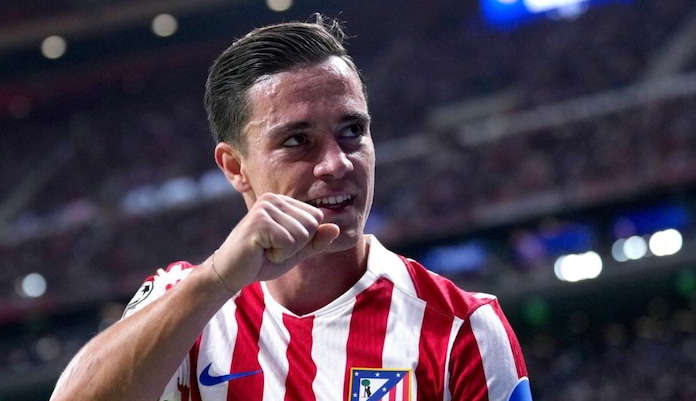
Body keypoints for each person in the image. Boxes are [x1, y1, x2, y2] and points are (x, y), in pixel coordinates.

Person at [50, 14, 533, 401]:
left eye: (352, 131)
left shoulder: (462, 328)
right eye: (297, 140)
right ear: (235, 167)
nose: (337, 163)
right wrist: (216, 280)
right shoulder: (184, 305)